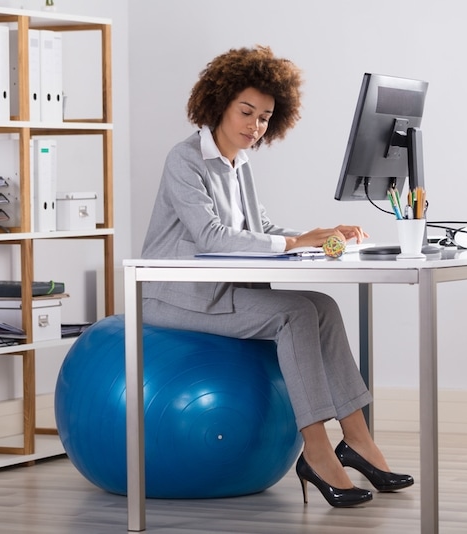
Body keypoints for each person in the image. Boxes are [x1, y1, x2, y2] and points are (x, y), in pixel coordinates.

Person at [141, 45, 413, 507]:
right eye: (246, 112)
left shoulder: (240, 164)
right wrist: (295, 243)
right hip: (179, 298)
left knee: (322, 307)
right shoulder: (184, 159)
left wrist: (319, 233)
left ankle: (358, 441)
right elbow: (210, 236)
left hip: (225, 291)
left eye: (265, 117)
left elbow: (260, 230)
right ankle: (317, 450)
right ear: (219, 104)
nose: (255, 126)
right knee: (295, 316)